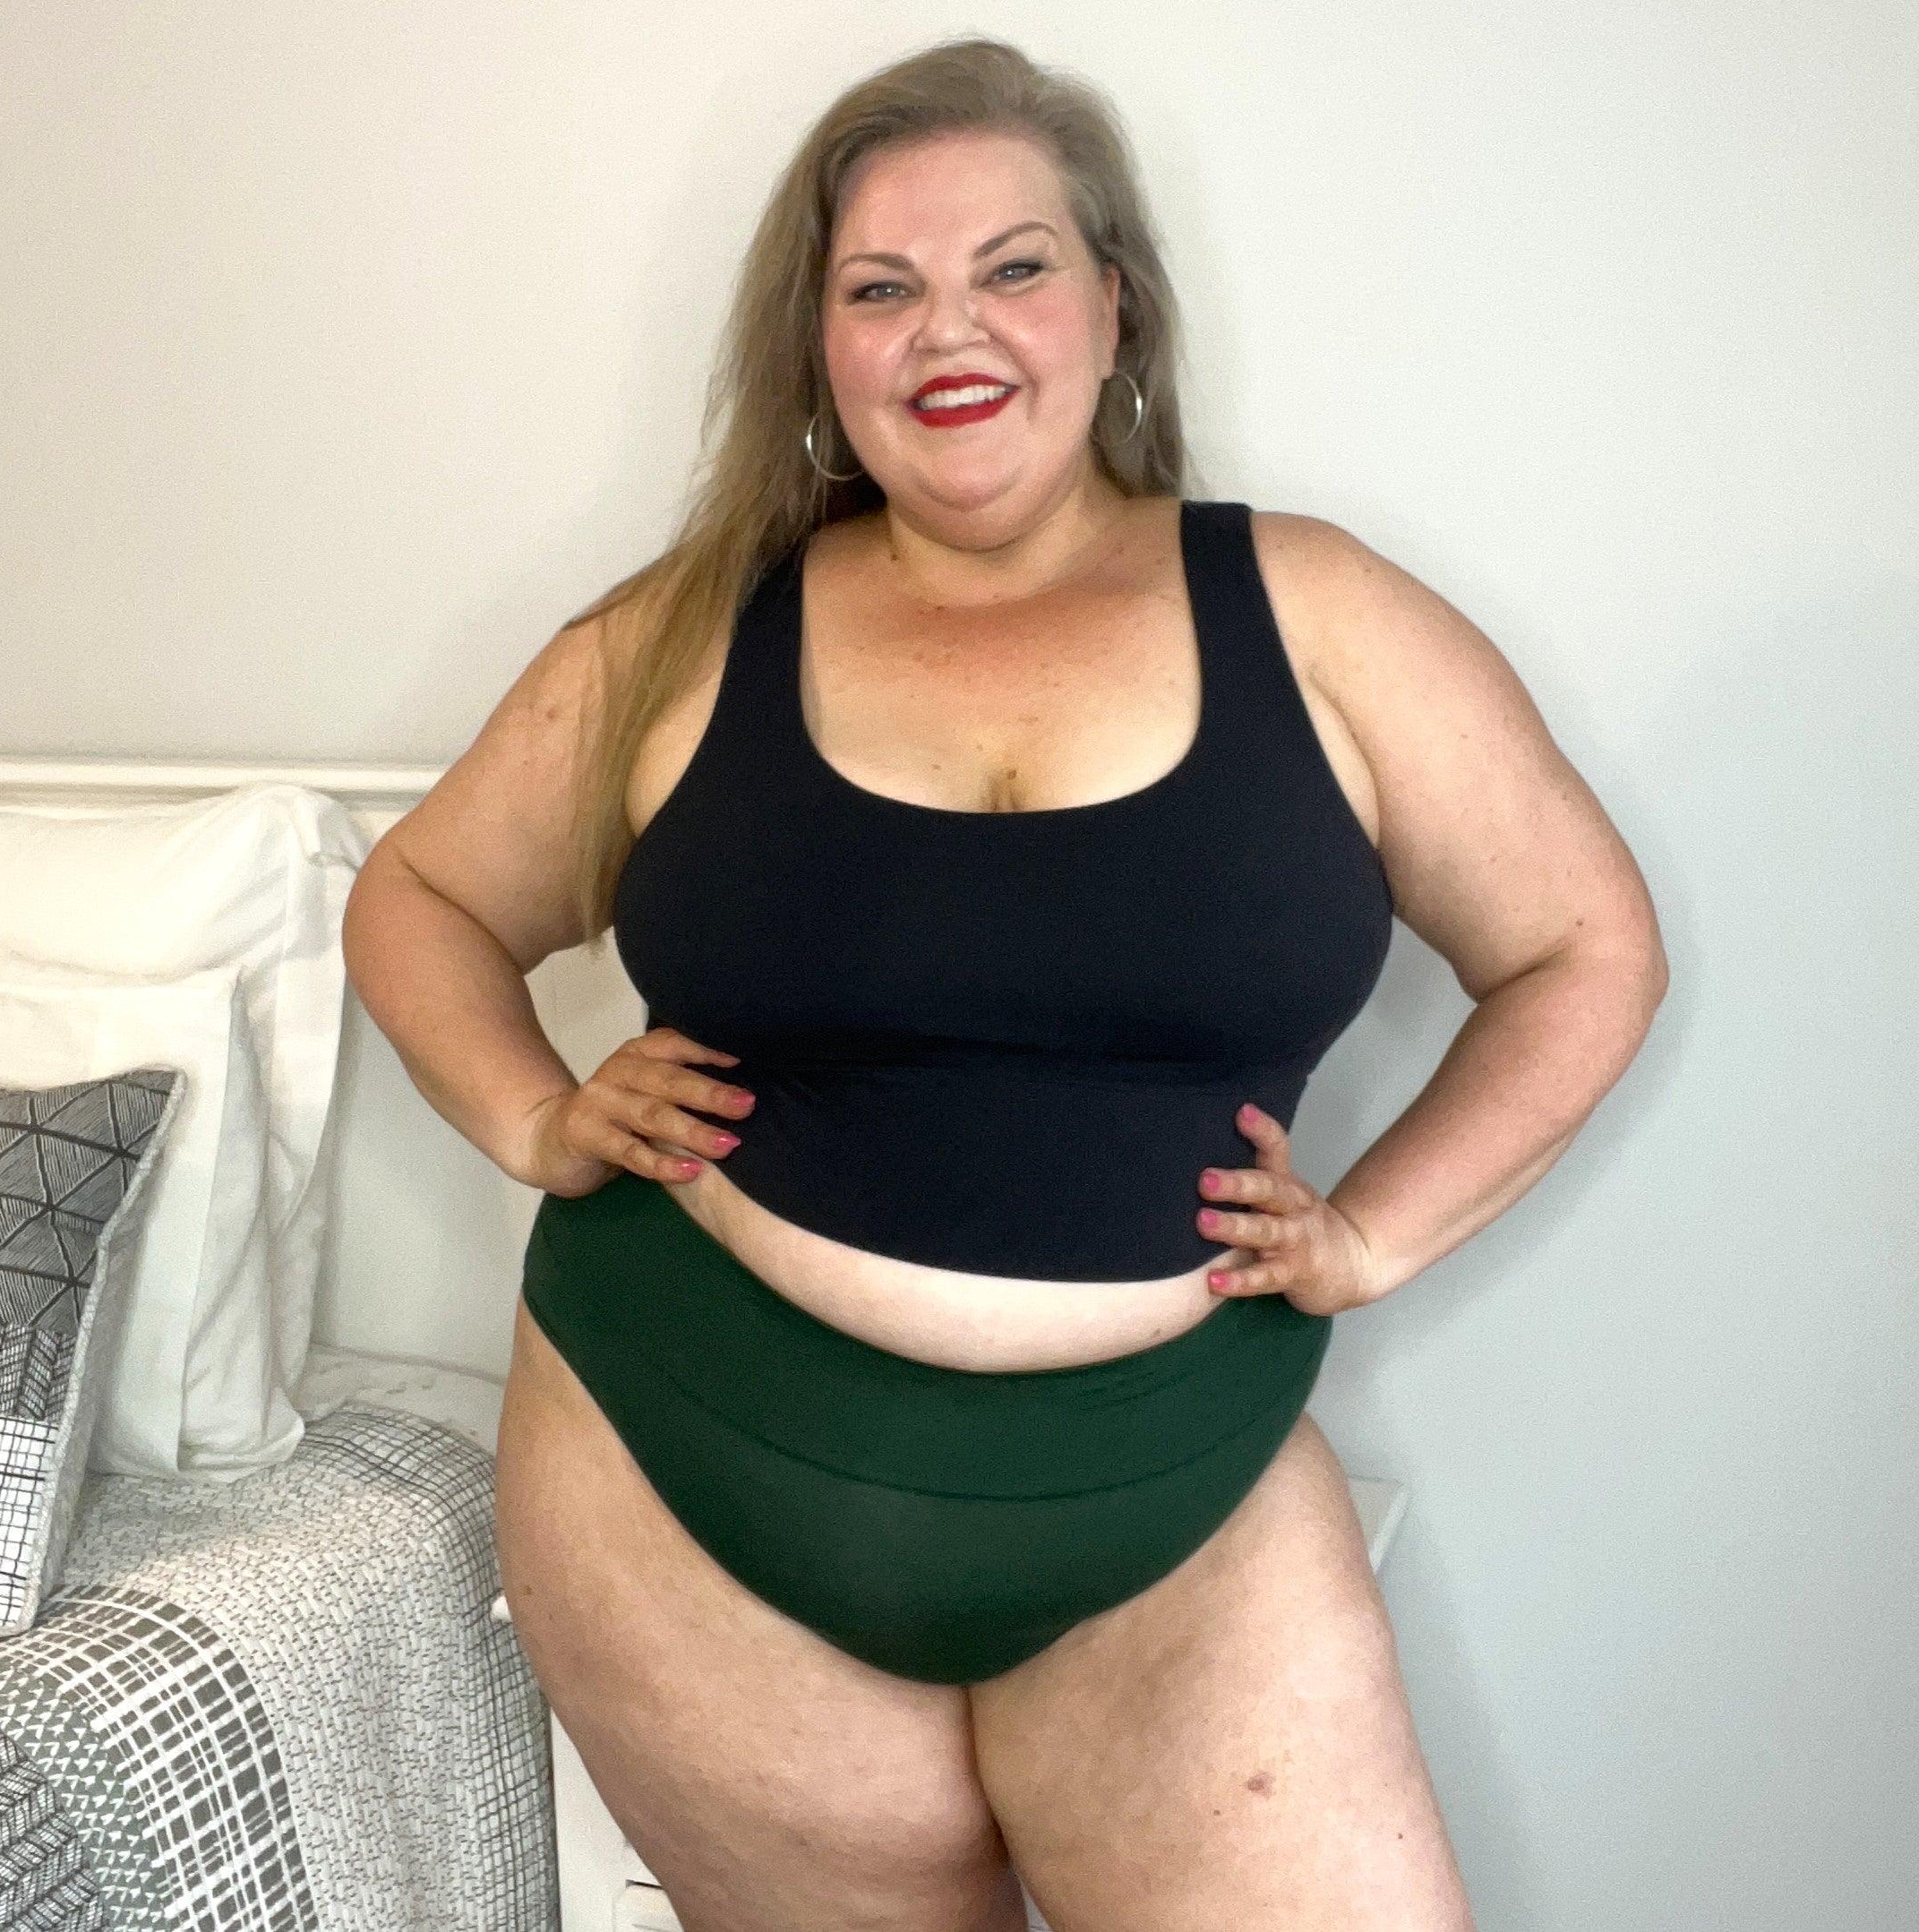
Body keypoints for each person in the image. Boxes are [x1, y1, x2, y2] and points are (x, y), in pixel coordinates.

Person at [342, 34, 1666, 1932]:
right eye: (879, 288)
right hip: (681, 1460)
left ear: (1115, 304)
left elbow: (1583, 947)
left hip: (1171, 1492)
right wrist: (532, 1114)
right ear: (819, 350)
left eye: (1012, 266)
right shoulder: (684, 633)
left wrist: (1374, 1233)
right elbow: (420, 895)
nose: (946, 328)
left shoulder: (1322, 613)